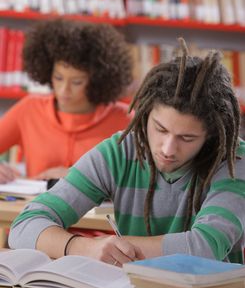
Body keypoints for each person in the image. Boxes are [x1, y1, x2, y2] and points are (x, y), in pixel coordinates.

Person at [9, 38, 245, 265]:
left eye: (187, 138)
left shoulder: (234, 160)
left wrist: (113, 248)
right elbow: (23, 227)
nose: (167, 149)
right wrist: (82, 247)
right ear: (144, 115)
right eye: (160, 129)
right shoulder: (119, 152)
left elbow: (204, 248)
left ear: (212, 135)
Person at [0, 19, 134, 182]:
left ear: (97, 80)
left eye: (77, 82)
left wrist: (77, 177)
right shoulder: (29, 109)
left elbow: (142, 177)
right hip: (36, 206)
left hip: (98, 207)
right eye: (58, 78)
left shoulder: (123, 119)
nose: (64, 90)